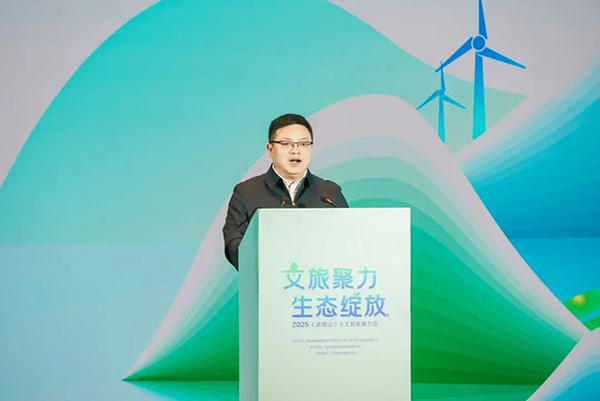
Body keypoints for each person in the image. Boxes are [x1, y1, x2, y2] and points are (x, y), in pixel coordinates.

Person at [222, 113, 349, 270]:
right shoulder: (247, 192)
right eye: (286, 143)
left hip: (320, 279)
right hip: (268, 280)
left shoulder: (330, 193)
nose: (296, 151)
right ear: (270, 149)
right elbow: (234, 244)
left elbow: (349, 241)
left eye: (303, 144)